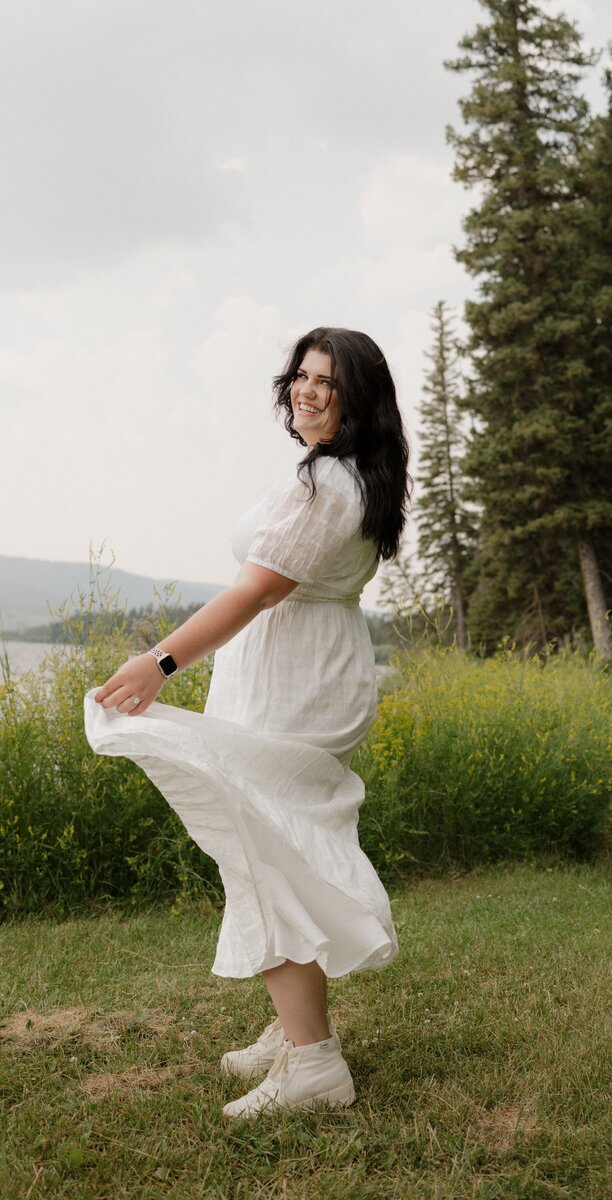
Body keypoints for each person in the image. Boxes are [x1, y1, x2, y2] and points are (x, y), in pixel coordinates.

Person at [84, 327, 410, 1119]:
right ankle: (297, 1026)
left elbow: (256, 592)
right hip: (302, 669)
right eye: (301, 374)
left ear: (357, 399)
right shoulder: (341, 478)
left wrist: (156, 663)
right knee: (276, 844)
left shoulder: (327, 486)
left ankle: (314, 1065)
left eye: (327, 381)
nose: (306, 389)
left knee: (269, 850)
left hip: (294, 682)